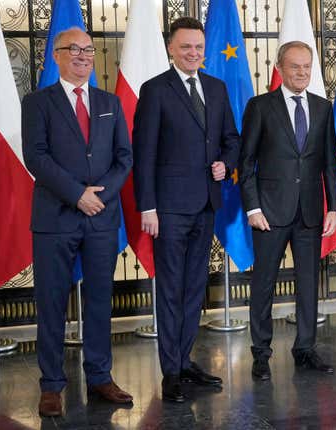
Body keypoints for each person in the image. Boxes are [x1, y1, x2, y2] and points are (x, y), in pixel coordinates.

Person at [22, 27, 134, 417]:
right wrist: (77, 194)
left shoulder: (110, 102)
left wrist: (99, 197)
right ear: (57, 55)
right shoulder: (38, 102)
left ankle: (100, 376)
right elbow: (35, 157)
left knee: (100, 301)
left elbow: (124, 157)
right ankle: (52, 385)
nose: (84, 56)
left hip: (101, 218)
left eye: (89, 49)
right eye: (75, 49)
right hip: (56, 219)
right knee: (51, 302)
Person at [132, 17, 240, 402]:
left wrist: (226, 164)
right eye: (185, 47)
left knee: (195, 289)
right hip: (169, 210)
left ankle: (185, 360)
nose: (193, 53)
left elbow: (232, 139)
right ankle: (171, 372)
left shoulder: (216, 87)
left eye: (198, 47)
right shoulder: (155, 90)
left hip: (206, 204)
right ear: (170, 49)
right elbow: (143, 155)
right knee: (171, 290)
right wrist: (148, 206)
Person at [239, 41, 336, 381]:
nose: (301, 73)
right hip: (268, 211)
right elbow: (247, 162)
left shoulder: (323, 108)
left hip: (311, 211)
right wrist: (252, 207)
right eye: (295, 67)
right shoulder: (260, 106)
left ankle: (305, 349)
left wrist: (335, 208)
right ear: (280, 69)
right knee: (264, 283)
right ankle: (261, 353)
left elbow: (329, 162)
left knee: (309, 282)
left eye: (306, 67)